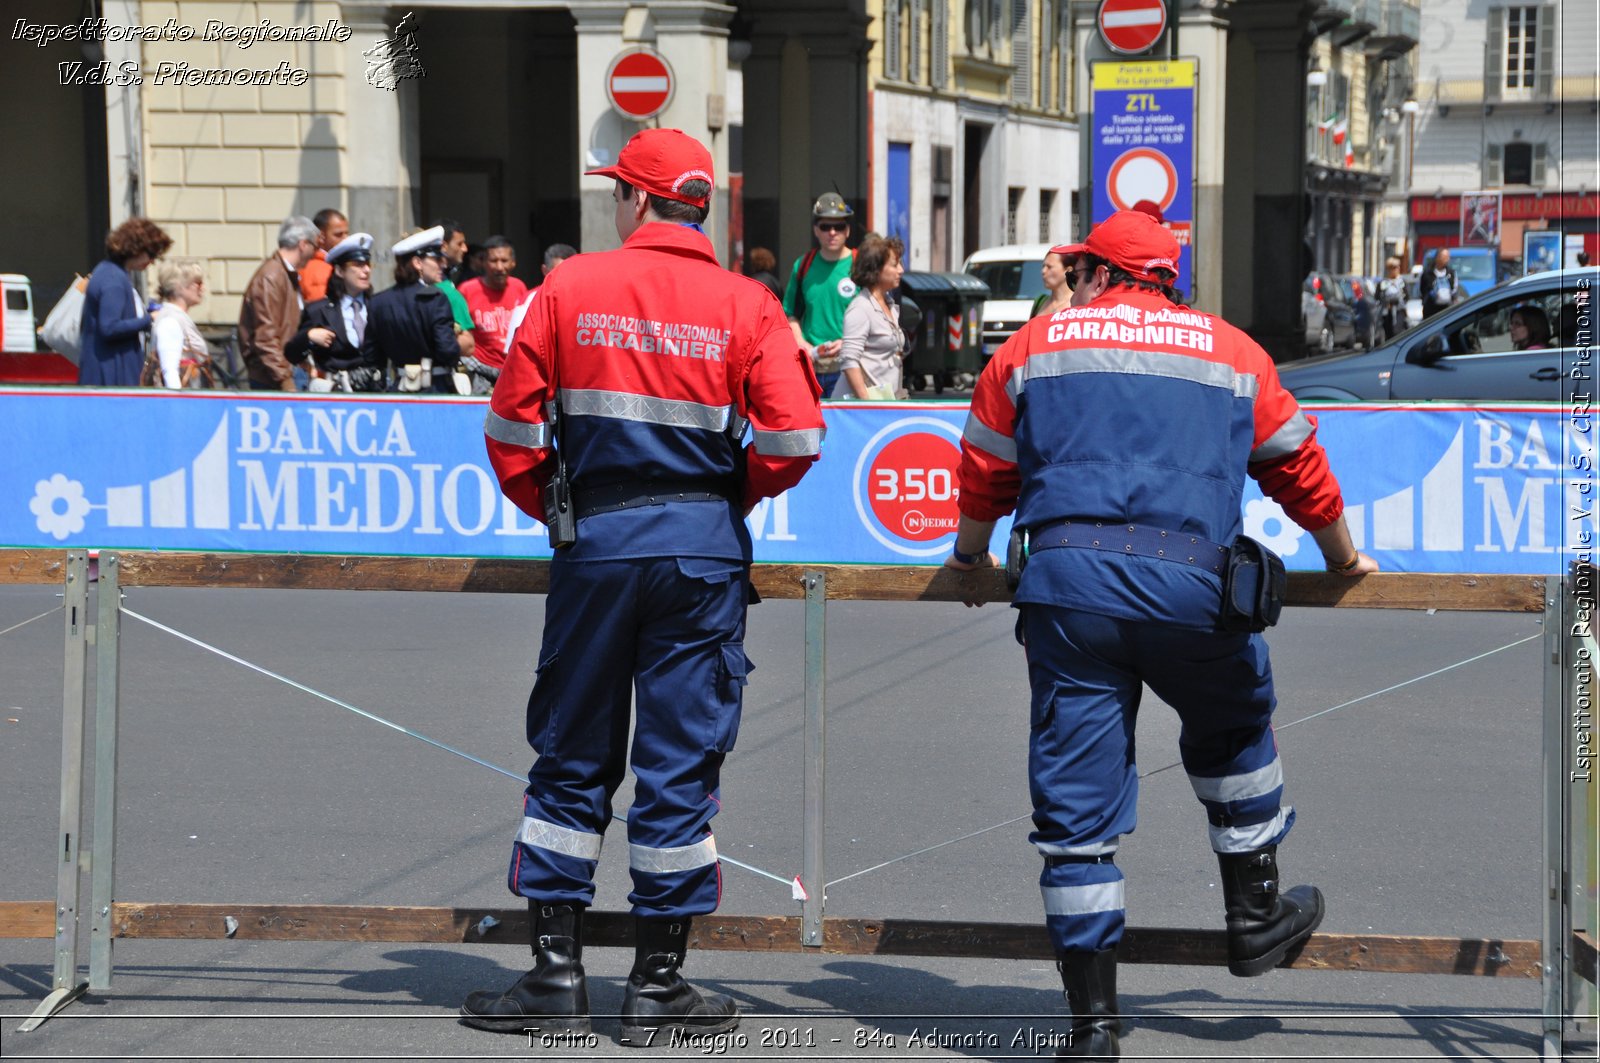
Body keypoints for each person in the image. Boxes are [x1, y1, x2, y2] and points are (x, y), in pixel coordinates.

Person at [945, 209, 1378, 1059]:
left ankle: (1093, 1024)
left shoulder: (1035, 347)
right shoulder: (1231, 351)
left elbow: (984, 466)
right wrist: (1344, 555)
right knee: (1236, 724)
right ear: (1171, 281)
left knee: (1076, 807)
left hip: (1068, 595)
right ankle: (1254, 915)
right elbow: (1300, 467)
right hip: (1194, 592)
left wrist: (968, 559)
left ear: (1097, 271)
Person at [463, 127, 825, 1043]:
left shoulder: (570, 285)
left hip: (596, 544)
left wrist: (555, 509)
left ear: (634, 199)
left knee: (573, 751)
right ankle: (657, 986)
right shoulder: (746, 302)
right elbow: (794, 439)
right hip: (700, 548)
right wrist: (724, 493)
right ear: (701, 206)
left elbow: (510, 430)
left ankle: (555, 974)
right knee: (679, 762)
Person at [78, 217, 172, 386]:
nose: (152, 262)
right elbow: (109, 327)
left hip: (105, 373)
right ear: (135, 249)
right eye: (151, 255)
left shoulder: (108, 271)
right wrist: (149, 320)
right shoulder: (114, 279)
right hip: (110, 378)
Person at [365, 227, 462, 392]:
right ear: (417, 263)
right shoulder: (436, 299)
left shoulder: (378, 302)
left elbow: (372, 356)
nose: (443, 264)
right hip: (435, 389)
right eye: (437, 260)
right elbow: (448, 352)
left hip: (399, 389)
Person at [285, 233, 384, 391]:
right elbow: (292, 354)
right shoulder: (319, 310)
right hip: (336, 395)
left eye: (367, 264)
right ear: (339, 271)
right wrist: (309, 337)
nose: (366, 270)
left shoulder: (378, 306)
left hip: (375, 393)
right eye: (357, 264)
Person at [783, 192, 857, 396]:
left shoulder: (860, 266)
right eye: (825, 226)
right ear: (816, 230)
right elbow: (790, 313)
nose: (832, 232)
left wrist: (848, 343)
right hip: (810, 368)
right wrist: (802, 344)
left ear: (848, 230)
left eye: (839, 226)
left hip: (847, 369)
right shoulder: (803, 265)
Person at [239, 216, 318, 391]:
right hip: (272, 379)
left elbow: (288, 329)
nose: (316, 253)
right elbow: (265, 337)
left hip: (283, 372)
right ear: (303, 244)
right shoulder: (272, 276)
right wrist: (285, 381)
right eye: (315, 246)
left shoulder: (285, 274)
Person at [835, 233, 906, 400]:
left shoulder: (889, 304)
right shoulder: (861, 308)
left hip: (884, 404)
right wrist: (867, 406)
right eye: (895, 265)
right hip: (864, 411)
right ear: (876, 269)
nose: (901, 270)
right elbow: (849, 361)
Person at [458, 236, 529, 393]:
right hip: (479, 372)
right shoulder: (467, 290)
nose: (499, 267)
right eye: (493, 261)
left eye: (504, 261)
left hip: (512, 373)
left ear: (513, 263)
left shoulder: (519, 287)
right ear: (483, 263)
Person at [143, 258, 213, 389]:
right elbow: (170, 371)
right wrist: (179, 403)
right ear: (179, 286)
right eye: (198, 283)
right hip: (185, 399)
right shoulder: (170, 320)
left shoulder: (175, 316)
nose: (202, 288)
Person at [299, 208, 349, 303]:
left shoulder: (336, 263)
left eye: (347, 233)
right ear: (321, 237)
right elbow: (322, 312)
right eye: (339, 234)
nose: (346, 239)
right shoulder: (316, 268)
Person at [1031, 247, 1073, 318]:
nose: (1043, 271)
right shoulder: (1040, 301)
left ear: (1068, 270)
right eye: (1043, 266)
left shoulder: (1078, 303)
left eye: (1049, 267)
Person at [1376, 256, 1409, 340]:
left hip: (1399, 312)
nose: (1394, 270)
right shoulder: (1383, 283)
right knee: (1388, 334)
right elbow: (1377, 297)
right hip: (1387, 313)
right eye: (1391, 268)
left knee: (1398, 333)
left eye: (1396, 267)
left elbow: (1407, 297)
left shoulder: (1402, 282)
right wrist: (1385, 302)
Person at [1421, 248, 1458, 319]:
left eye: (1448, 257)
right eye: (1445, 257)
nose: (1447, 259)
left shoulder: (1451, 273)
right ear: (1437, 258)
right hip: (1430, 311)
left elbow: (1454, 290)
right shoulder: (1427, 273)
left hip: (1447, 310)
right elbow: (1422, 290)